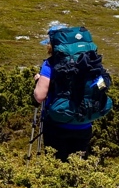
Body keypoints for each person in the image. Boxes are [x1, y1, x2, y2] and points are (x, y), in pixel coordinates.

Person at [34, 25, 112, 161]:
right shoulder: (91, 63)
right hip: (85, 123)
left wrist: (38, 81)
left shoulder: (51, 64)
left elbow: (39, 96)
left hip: (57, 123)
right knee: (78, 165)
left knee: (56, 165)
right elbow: (101, 85)